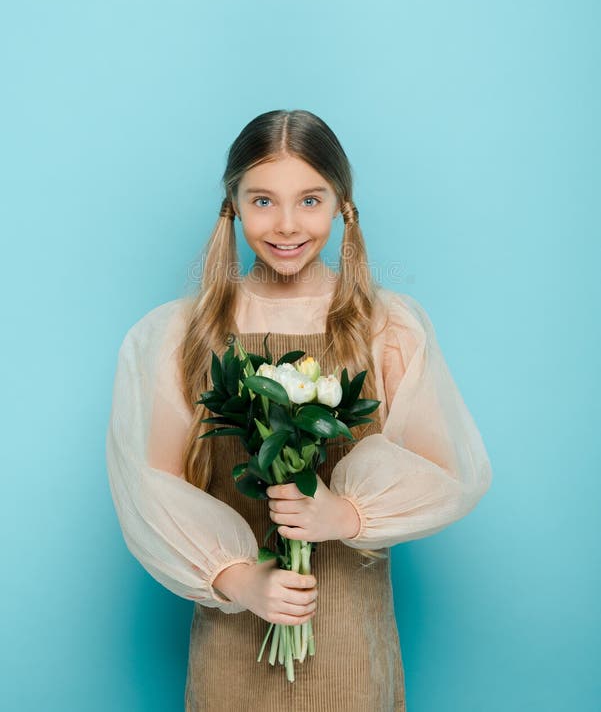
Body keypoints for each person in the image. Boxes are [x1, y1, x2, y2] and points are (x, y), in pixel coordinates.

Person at [106, 108, 493, 711]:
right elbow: (150, 487)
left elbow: (449, 471)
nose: (287, 224)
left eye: (310, 200)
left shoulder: (387, 327)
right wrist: (238, 580)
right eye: (263, 201)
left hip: (348, 635)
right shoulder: (183, 334)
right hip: (234, 633)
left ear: (342, 203)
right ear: (233, 204)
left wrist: (346, 514)